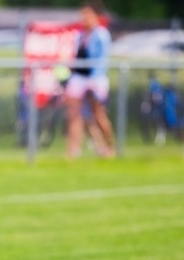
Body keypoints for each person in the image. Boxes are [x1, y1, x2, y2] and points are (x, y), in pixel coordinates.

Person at [65, 0, 114, 159]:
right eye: (83, 15)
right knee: (74, 114)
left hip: (95, 79)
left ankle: (109, 146)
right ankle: (73, 150)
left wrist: (93, 81)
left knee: (98, 115)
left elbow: (101, 60)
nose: (84, 18)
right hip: (79, 78)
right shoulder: (79, 35)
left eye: (88, 14)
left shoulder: (101, 34)